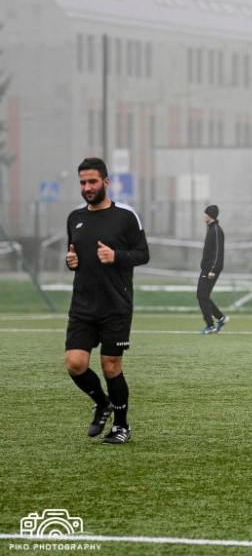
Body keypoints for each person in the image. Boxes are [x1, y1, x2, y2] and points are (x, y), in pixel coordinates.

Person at [64, 157, 150, 444]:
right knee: (75, 363)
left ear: (106, 182)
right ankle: (102, 403)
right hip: (83, 306)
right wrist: (70, 262)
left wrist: (117, 256)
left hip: (116, 305)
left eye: (92, 181)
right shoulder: (75, 218)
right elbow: (75, 256)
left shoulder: (125, 216)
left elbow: (143, 254)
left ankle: (121, 426)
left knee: (111, 366)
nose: (87, 187)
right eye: (83, 183)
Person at [197, 204, 228, 334]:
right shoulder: (211, 229)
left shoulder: (215, 230)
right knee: (203, 295)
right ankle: (220, 317)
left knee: (202, 295)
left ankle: (210, 325)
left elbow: (218, 252)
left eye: (206, 214)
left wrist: (213, 270)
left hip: (210, 269)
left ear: (210, 215)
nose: (204, 216)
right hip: (206, 268)